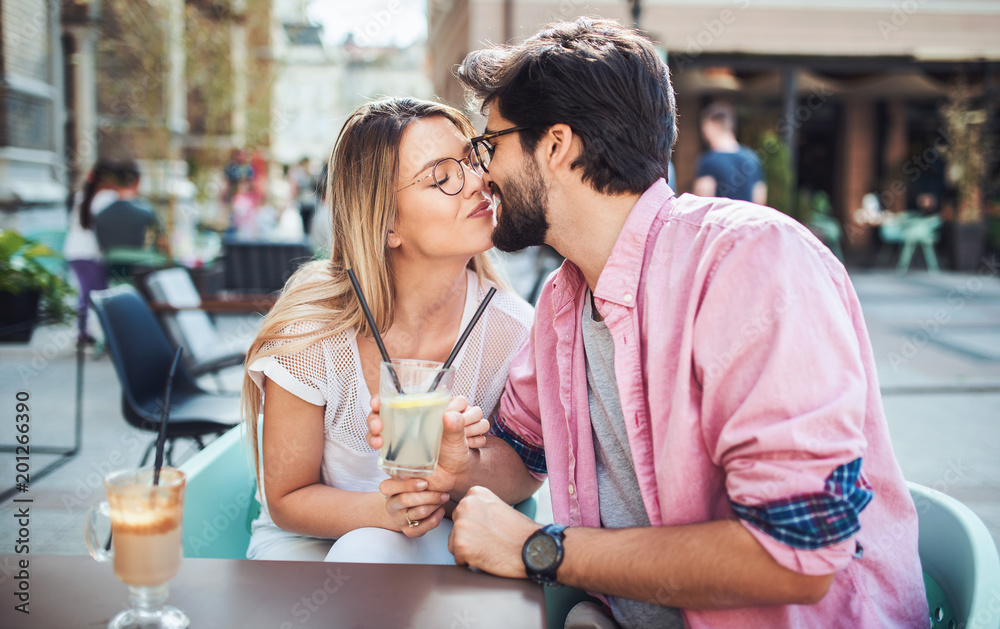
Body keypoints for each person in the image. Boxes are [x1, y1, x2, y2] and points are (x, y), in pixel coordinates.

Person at [369, 18, 926, 628]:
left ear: (555, 145)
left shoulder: (752, 262)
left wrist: (541, 549)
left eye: (490, 144)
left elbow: (793, 557)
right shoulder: (562, 301)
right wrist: (460, 467)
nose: (482, 174)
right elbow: (522, 453)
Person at [240, 98, 534, 564]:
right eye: (442, 177)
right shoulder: (309, 334)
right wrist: (387, 510)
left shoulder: (513, 330)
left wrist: (461, 466)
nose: (480, 181)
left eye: (474, 159)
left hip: (435, 537)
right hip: (303, 548)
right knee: (369, 547)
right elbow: (286, 499)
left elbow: (526, 477)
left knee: (374, 550)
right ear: (387, 223)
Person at [64, 160, 119, 341]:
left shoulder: (84, 195)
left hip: (74, 251)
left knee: (86, 292)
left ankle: (83, 331)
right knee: (98, 294)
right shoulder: (107, 197)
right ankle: (97, 333)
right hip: (90, 253)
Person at [693, 101, 766, 204]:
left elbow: (702, 201)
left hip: (718, 219)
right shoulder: (753, 158)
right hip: (745, 219)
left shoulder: (708, 161)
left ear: (713, 125)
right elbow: (760, 199)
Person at [94, 160, 162, 254]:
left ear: (116, 182)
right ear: (136, 182)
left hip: (110, 267)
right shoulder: (148, 214)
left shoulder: (100, 216)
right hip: (142, 266)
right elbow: (162, 244)